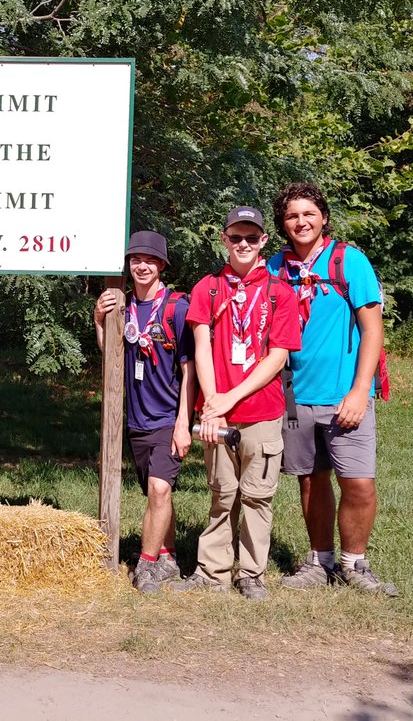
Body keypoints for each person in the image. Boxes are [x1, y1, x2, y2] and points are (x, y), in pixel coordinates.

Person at [268, 183, 397, 595]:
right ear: (283, 224)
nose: (301, 222)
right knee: (310, 480)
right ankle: (320, 560)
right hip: (295, 395)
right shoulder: (275, 268)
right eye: (292, 216)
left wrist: (361, 391)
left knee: (358, 482)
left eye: (308, 214)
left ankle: (355, 563)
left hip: (345, 394)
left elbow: (372, 328)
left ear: (323, 217)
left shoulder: (349, 261)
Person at [170, 206, 300, 600]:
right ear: (224, 240)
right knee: (221, 492)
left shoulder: (280, 292)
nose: (243, 244)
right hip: (217, 412)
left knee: (258, 496)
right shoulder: (207, 288)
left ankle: (251, 573)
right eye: (235, 237)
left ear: (263, 241)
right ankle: (212, 572)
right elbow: (202, 346)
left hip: (261, 410)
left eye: (251, 237)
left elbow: (278, 357)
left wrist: (229, 397)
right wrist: (214, 403)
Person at [94, 231, 195, 594]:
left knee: (158, 490)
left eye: (150, 260)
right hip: (135, 419)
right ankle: (168, 556)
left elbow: (190, 372)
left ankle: (147, 564)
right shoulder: (122, 306)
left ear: (162, 265)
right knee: (156, 494)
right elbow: (113, 360)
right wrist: (98, 322)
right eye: (136, 259)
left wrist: (184, 423)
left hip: (168, 418)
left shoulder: (176, 308)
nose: (142, 265)